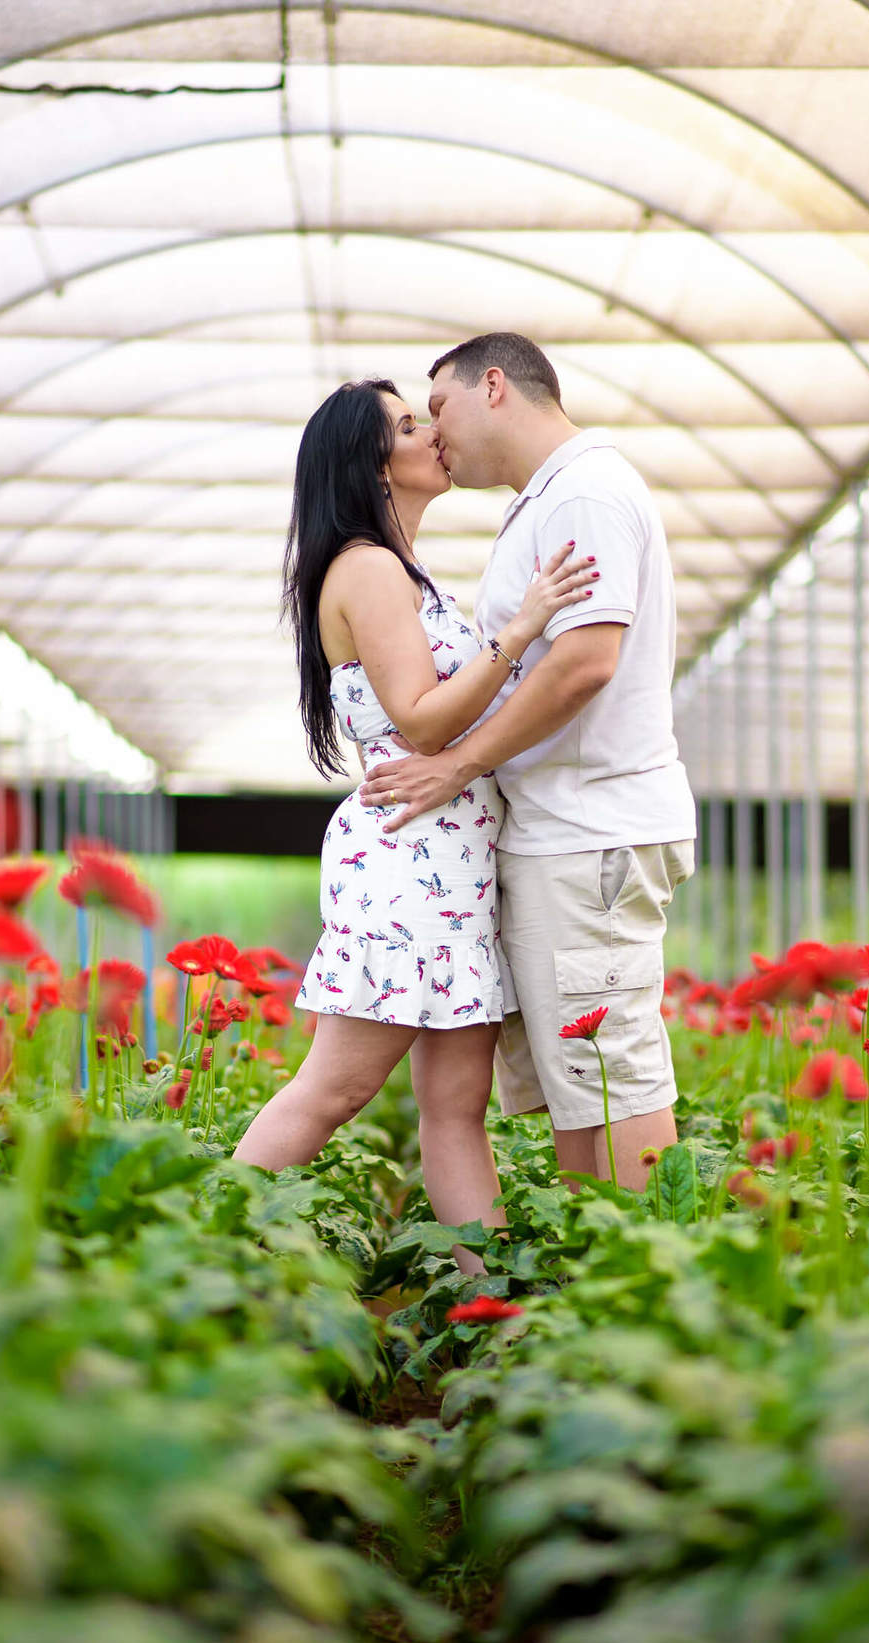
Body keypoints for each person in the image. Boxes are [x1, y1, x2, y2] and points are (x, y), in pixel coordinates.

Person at [231, 377, 593, 1275]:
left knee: (456, 1102)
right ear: (370, 462)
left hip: (447, 860)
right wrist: (525, 628)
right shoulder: (369, 566)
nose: (432, 430)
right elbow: (424, 718)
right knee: (335, 1089)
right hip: (409, 862)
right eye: (406, 423)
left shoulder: (401, 567)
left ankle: (492, 1310)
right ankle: (199, 1246)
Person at [357, 334, 696, 1193]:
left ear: (494, 386)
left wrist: (458, 764)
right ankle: (600, 1287)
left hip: (592, 837)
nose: (435, 433)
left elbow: (586, 660)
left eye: (437, 407)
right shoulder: (546, 498)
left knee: (614, 1079)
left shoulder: (584, 490)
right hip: (561, 838)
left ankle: (648, 1286)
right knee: (580, 1089)